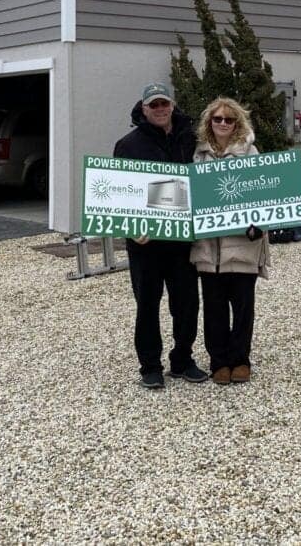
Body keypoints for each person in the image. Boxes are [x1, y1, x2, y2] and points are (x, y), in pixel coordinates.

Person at [113, 82, 208, 389]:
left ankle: (182, 359)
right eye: (153, 105)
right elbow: (118, 193)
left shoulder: (190, 139)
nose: (160, 109)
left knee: (187, 303)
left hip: (182, 241)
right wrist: (130, 228)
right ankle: (150, 366)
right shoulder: (128, 145)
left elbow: (205, 181)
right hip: (146, 243)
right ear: (143, 109)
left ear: (172, 105)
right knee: (147, 305)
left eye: (164, 103)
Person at [191, 97, 271, 385]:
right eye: (217, 119)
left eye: (229, 119)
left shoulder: (250, 153)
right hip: (208, 247)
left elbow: (265, 193)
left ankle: (241, 359)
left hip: (242, 244)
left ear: (238, 122)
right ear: (209, 122)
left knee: (242, 306)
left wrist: (259, 225)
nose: (223, 124)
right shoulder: (198, 156)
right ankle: (218, 361)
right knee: (213, 308)